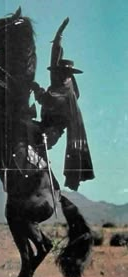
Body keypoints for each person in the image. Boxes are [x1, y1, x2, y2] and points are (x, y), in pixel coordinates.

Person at [31, 17, 95, 191]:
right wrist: (58, 36)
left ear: (67, 74)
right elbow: (55, 56)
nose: (57, 74)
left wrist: (36, 88)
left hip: (51, 131)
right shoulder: (59, 83)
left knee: (35, 148)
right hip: (44, 124)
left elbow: (47, 100)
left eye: (61, 72)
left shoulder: (67, 91)